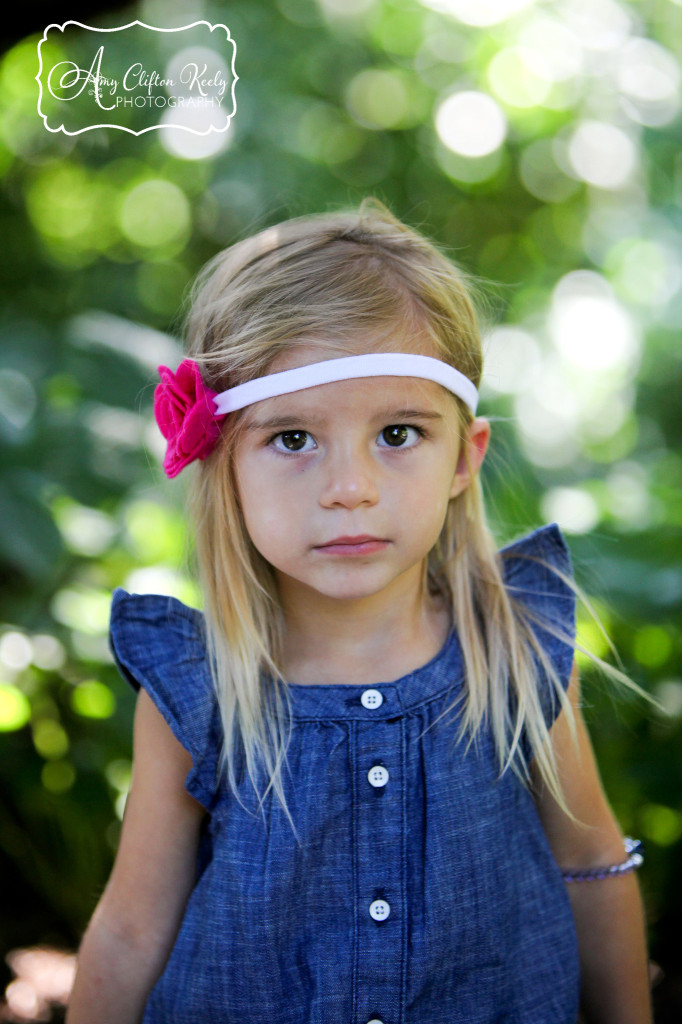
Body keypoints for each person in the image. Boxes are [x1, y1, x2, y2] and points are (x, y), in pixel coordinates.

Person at [66, 198, 655, 1024]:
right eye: (295, 440)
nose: (351, 489)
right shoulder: (198, 692)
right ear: (225, 466)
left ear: (464, 457)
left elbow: (592, 864)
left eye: (399, 433)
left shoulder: (514, 650)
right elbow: (132, 930)